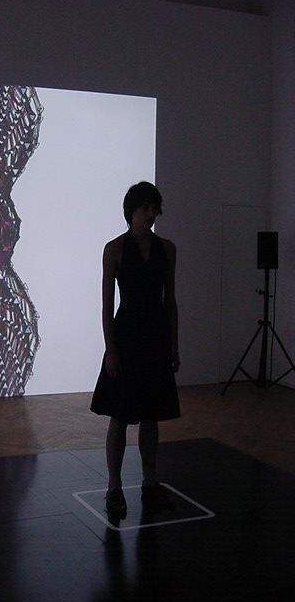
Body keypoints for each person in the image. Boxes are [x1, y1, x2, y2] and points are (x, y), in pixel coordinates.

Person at [90, 182, 180, 516]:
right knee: (120, 415)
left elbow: (170, 301)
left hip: (155, 336)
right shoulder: (114, 249)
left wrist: (174, 345)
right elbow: (106, 305)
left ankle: (150, 482)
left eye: (154, 208)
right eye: (145, 208)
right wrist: (111, 350)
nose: (151, 214)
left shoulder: (167, 249)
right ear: (132, 211)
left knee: (151, 415)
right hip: (127, 336)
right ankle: (114, 487)